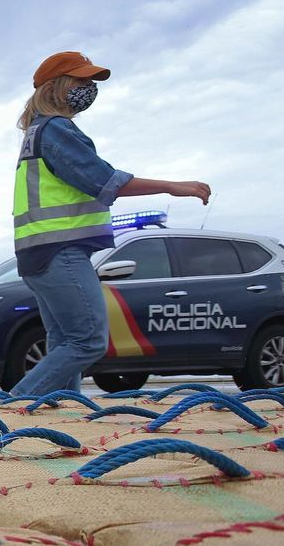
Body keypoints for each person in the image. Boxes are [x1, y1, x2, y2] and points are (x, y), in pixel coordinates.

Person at [11, 52, 211, 395]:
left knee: (64, 342)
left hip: (39, 254)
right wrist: (171, 186)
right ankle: (15, 407)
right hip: (60, 252)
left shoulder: (37, 132)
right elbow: (104, 180)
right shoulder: (56, 130)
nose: (88, 88)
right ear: (56, 86)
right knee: (88, 341)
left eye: (91, 82)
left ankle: (59, 412)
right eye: (81, 81)